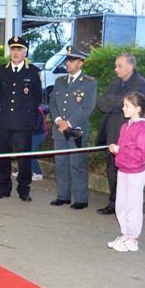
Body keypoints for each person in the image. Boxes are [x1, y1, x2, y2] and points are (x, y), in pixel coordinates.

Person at [96, 53, 145, 216]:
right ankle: (114, 203)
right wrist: (116, 102)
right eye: (116, 66)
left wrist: (114, 102)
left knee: (127, 170)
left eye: (119, 66)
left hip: (129, 134)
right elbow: (101, 103)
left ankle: (127, 207)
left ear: (130, 67)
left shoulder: (140, 83)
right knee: (112, 168)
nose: (116, 69)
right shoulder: (116, 81)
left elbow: (127, 103)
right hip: (112, 130)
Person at [0, 36, 42, 202]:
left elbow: (37, 97)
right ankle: (4, 188)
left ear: (25, 52)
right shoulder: (1, 71)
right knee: (3, 157)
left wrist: (26, 112)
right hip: (5, 121)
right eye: (13, 49)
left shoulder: (33, 71)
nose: (15, 52)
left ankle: (24, 190)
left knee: (23, 158)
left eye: (19, 49)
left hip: (23, 122)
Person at [48, 46, 97, 210]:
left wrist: (68, 123)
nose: (68, 63)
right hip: (59, 130)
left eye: (72, 60)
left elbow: (87, 107)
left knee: (77, 164)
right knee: (61, 163)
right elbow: (52, 103)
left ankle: (81, 199)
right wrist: (58, 120)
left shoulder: (89, 82)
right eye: (67, 60)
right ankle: (63, 196)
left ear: (80, 63)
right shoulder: (59, 81)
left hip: (77, 131)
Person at [106, 92, 145, 252]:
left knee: (133, 206)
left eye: (127, 106)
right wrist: (116, 151)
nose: (123, 108)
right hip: (123, 170)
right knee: (121, 205)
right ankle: (126, 234)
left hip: (135, 173)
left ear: (138, 108)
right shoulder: (125, 126)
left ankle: (132, 239)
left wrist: (120, 150)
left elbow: (142, 154)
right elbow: (124, 150)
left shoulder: (143, 128)